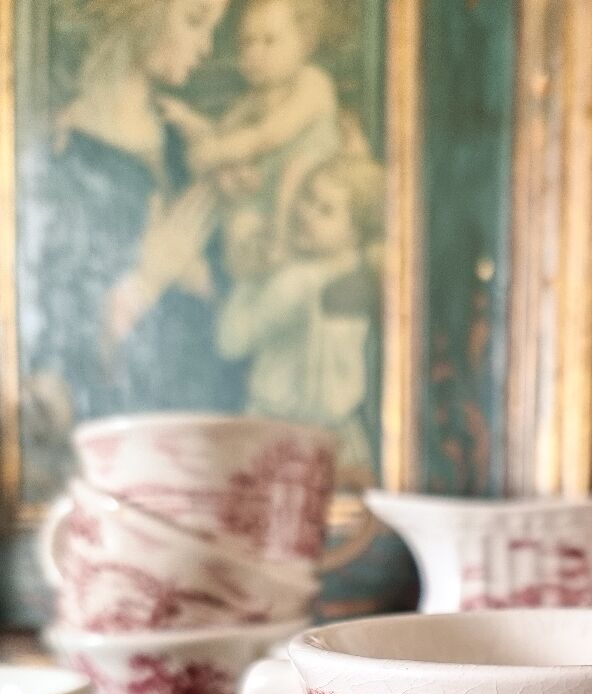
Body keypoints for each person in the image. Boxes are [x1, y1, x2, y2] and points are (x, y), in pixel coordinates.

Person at [27, 0, 239, 447]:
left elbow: (240, 301)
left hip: (204, 427)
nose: (206, 47)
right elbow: (46, 352)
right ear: (141, 14)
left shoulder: (187, 142)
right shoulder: (60, 155)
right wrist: (147, 278)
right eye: (194, 21)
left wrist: (205, 280)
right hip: (118, 441)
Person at [215, 150, 384, 469]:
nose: (307, 213)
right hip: (339, 438)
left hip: (279, 437)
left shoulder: (299, 281)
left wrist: (246, 279)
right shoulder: (354, 272)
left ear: (355, 233)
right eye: (308, 197)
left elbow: (231, 341)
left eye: (326, 210)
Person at [160, 0, 339, 271]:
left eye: (269, 41)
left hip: (314, 190)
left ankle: (280, 246)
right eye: (247, 43)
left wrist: (217, 153)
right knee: (229, 203)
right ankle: (231, 272)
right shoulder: (253, 100)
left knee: (293, 171)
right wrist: (186, 119)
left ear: (306, 42)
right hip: (265, 197)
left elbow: (267, 136)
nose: (255, 52)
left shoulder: (313, 83)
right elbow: (221, 133)